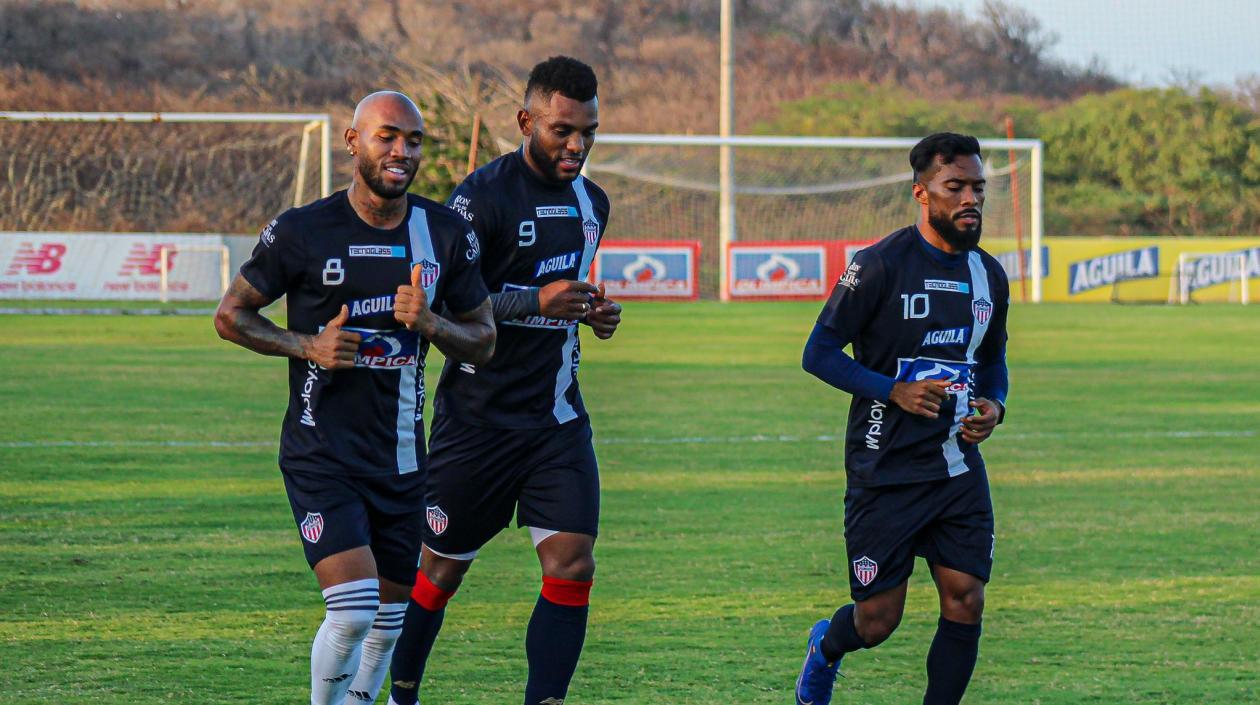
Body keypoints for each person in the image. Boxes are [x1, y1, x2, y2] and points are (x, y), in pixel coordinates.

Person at [213, 91, 495, 705]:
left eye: (413, 141)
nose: (401, 152)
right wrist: (307, 345)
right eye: (387, 136)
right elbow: (231, 316)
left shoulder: (444, 234)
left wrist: (434, 326)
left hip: (401, 459)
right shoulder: (302, 231)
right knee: (353, 613)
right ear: (352, 141)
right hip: (322, 454)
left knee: (387, 626)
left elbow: (484, 340)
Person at [388, 56, 621, 705]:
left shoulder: (591, 203)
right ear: (526, 121)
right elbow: (455, 303)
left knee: (572, 563)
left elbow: (563, 294)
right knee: (438, 570)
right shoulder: (479, 198)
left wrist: (593, 310)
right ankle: (401, 690)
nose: (576, 144)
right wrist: (537, 302)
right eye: (561, 129)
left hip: (556, 420)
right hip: (478, 421)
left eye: (588, 132)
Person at [794, 132, 1010, 705]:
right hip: (884, 467)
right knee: (877, 621)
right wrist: (895, 390)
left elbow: (992, 361)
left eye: (978, 188)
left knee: (965, 597)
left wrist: (995, 405)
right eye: (955, 187)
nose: (971, 199)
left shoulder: (990, 275)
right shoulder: (879, 265)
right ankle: (825, 649)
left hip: (957, 466)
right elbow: (816, 353)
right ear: (922, 193)